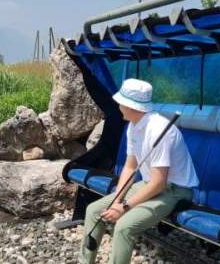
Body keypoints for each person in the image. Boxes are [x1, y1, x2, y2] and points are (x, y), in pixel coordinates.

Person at [79, 78, 199, 264]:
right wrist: (117, 200)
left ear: (130, 105)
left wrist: (124, 207)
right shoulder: (133, 126)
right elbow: (129, 166)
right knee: (94, 210)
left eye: (121, 102)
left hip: (175, 190)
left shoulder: (159, 130)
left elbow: (160, 182)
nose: (118, 104)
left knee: (124, 226)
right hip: (150, 184)